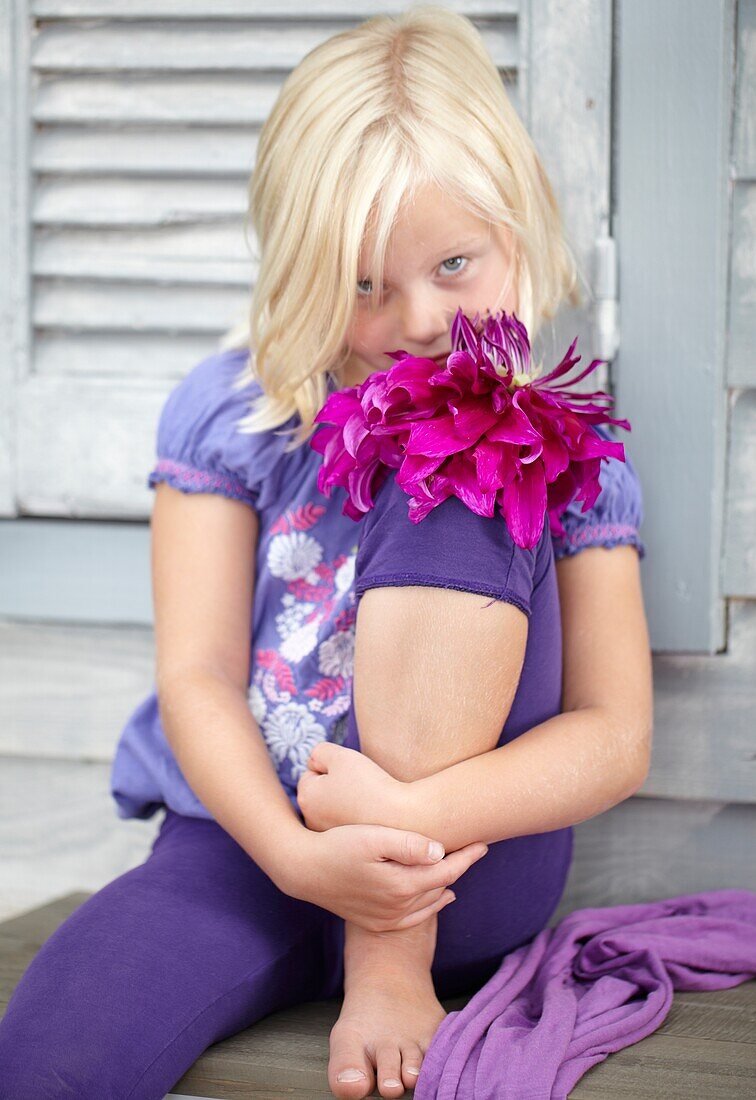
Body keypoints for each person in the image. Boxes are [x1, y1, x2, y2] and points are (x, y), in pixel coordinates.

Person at [0, 6, 652, 1099]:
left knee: (475, 437)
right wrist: (302, 856)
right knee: (53, 1056)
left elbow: (615, 733)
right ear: (301, 267)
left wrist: (406, 830)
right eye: (363, 283)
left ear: (522, 229)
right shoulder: (236, 415)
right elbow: (197, 675)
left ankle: (388, 969)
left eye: (455, 263)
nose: (420, 316)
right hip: (248, 849)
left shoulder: (571, 452)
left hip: (460, 868)